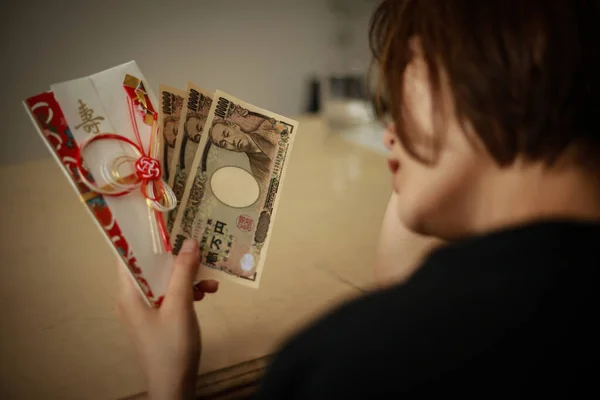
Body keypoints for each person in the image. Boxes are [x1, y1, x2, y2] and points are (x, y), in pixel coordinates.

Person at [116, 0, 600, 398]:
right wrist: (407, 285)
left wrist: (168, 385)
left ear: (509, 65)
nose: (389, 133)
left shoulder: (341, 368)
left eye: (407, 76)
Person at [208, 118, 278, 183]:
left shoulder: (269, 125)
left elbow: (284, 130)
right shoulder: (258, 172)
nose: (231, 141)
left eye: (227, 133)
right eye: (224, 144)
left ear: (235, 126)